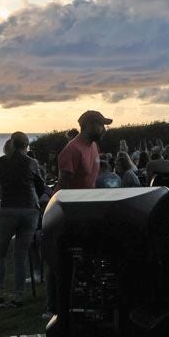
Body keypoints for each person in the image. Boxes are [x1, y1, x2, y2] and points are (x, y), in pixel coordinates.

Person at [49, 111, 112, 319]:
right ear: (89, 125)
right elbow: (64, 187)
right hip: (70, 215)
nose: (104, 129)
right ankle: (53, 306)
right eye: (101, 125)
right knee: (62, 259)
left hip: (88, 212)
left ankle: (82, 298)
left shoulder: (94, 147)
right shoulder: (72, 150)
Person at [0, 132, 44, 311]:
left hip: (7, 211)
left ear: (11, 143)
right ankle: (18, 296)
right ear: (26, 144)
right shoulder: (32, 163)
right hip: (29, 211)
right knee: (20, 256)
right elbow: (40, 186)